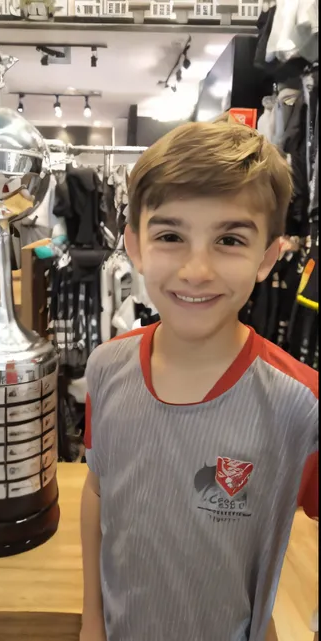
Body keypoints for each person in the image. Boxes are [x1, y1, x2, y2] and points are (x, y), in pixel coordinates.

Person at [80, 121, 318, 641]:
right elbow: (99, 490)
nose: (196, 269)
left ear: (267, 258)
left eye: (229, 240)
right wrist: (92, 624)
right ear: (136, 247)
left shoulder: (301, 404)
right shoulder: (106, 368)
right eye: (171, 236)